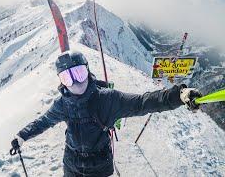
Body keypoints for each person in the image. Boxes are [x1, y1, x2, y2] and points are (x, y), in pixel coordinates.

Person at [10, 51, 202, 177]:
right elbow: (44, 121)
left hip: (99, 166)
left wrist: (178, 95)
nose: (76, 82)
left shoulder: (107, 99)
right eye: (67, 77)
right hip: (71, 163)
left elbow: (142, 103)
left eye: (78, 73)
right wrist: (22, 136)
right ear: (61, 82)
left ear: (88, 71)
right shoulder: (62, 104)